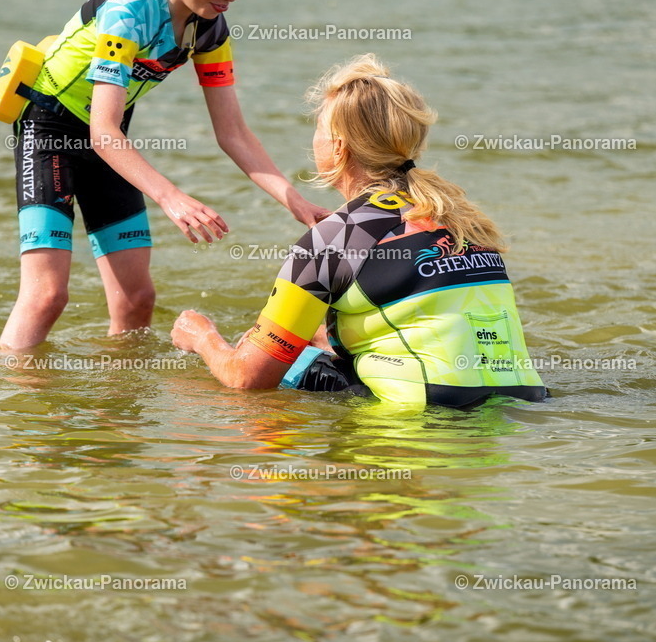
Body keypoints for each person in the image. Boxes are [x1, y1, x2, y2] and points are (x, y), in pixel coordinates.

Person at [0, 0, 327, 351]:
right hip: (51, 132)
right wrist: (171, 197)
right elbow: (103, 131)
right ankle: (10, 393)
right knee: (47, 296)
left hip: (109, 140)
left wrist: (295, 202)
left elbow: (232, 132)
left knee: (137, 300)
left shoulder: (210, 29)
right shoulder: (129, 10)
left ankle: (119, 392)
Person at [171, 54, 548, 409]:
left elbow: (247, 378)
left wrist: (201, 336)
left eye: (318, 128)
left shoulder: (335, 238)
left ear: (338, 147)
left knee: (263, 366)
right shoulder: (463, 217)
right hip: (522, 403)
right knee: (308, 340)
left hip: (428, 414)